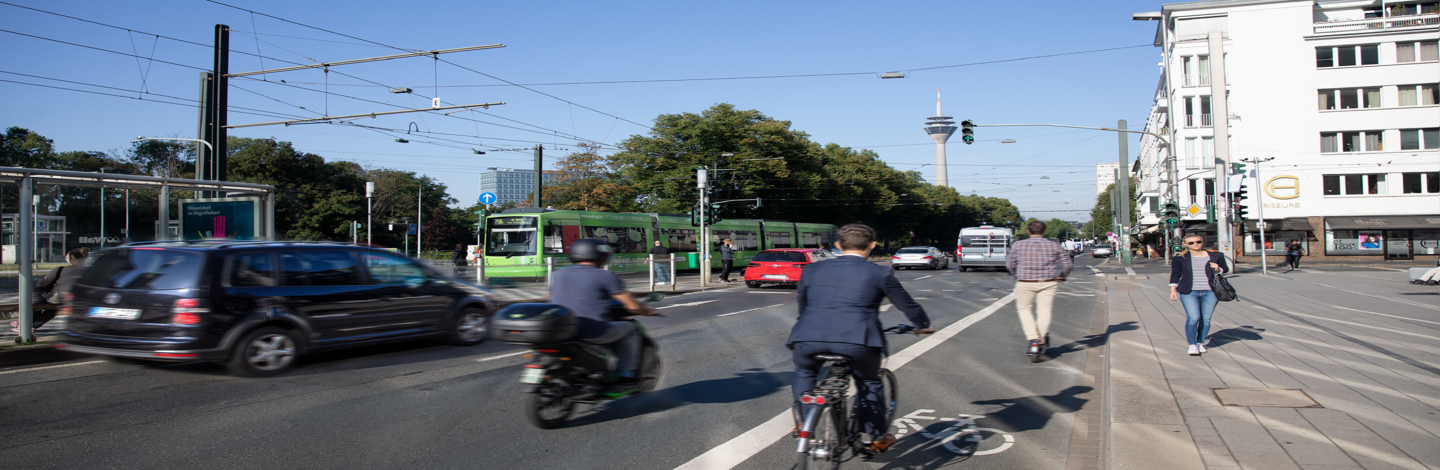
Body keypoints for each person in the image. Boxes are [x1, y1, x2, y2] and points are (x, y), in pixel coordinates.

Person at [788, 224, 934, 454]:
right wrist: (922, 326)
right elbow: (907, 305)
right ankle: (876, 436)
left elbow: (803, 306)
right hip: (858, 340)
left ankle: (804, 421)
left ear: (838, 245)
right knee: (869, 383)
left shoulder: (812, 270)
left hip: (807, 338)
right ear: (872, 245)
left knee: (805, 372)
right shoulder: (880, 272)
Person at [548, 239, 658, 388]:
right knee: (631, 329)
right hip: (592, 330)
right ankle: (626, 374)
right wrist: (648, 311)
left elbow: (552, 297)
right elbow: (632, 306)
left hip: (562, 329)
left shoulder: (557, 274)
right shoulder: (605, 276)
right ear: (601, 256)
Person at [1005, 221, 1073, 355]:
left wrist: (1015, 275)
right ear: (1044, 231)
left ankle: (1033, 338)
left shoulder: (1018, 245)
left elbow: (1009, 264)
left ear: (1029, 231)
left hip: (1025, 281)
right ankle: (1040, 339)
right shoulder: (1055, 245)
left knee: (1024, 309)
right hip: (1048, 282)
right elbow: (1068, 265)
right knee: (1044, 311)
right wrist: (1062, 276)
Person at [1168, 235, 1229, 356]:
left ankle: (1200, 343)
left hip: (1211, 291)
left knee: (1205, 319)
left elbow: (1225, 269)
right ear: (1186, 244)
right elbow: (1175, 274)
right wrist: (1172, 290)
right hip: (1189, 292)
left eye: (1198, 241)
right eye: (1191, 243)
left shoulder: (1216, 256)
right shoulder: (1180, 258)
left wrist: (1218, 268)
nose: (1196, 244)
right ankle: (1191, 344)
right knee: (1193, 318)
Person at [13, 247, 89, 334]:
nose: (65, 258)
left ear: (71, 257)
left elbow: (43, 283)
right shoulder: (89, 269)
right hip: (76, 299)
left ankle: (27, 323)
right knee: (52, 308)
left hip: (58, 297)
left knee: (41, 299)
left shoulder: (60, 269)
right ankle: (33, 325)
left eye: (66, 257)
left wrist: (41, 280)